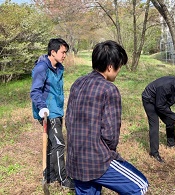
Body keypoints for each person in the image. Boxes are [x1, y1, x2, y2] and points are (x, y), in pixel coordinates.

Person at [65, 40, 149, 195]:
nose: (119, 71)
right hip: (97, 161)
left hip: (74, 159)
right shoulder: (109, 89)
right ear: (110, 66)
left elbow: (68, 120)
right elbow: (110, 135)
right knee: (140, 185)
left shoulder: (78, 82)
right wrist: (111, 154)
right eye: (119, 66)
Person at [30, 38, 74, 189]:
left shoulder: (59, 67)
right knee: (59, 143)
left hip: (56, 109)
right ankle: (63, 179)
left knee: (51, 144)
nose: (64, 55)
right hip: (48, 112)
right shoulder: (42, 68)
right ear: (53, 52)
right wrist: (42, 107)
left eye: (65, 53)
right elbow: (35, 91)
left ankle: (50, 175)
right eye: (62, 52)